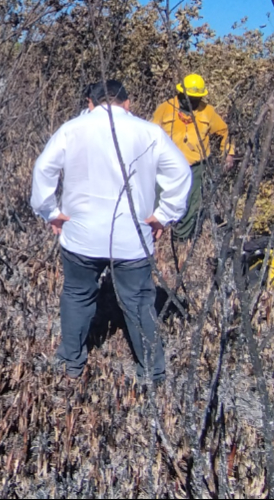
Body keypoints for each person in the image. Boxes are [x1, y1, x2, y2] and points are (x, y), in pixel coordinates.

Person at [30, 80, 192, 383]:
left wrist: (50, 212)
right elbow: (181, 172)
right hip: (133, 236)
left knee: (77, 295)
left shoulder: (72, 128)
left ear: (90, 103)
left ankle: (70, 363)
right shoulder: (149, 132)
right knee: (139, 302)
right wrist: (162, 216)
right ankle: (153, 374)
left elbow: (43, 169)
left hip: (81, 234)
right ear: (127, 104)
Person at [152, 73, 234, 242]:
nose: (193, 102)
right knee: (158, 199)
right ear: (181, 94)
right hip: (165, 166)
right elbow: (150, 132)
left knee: (191, 203)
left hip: (195, 167)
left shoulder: (207, 111)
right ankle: (153, 237)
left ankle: (180, 240)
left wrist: (229, 154)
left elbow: (224, 131)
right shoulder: (165, 108)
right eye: (190, 98)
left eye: (197, 98)